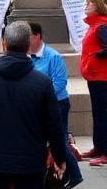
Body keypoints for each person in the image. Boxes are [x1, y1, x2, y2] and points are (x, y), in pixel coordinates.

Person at [0, 21, 66, 189]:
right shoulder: (43, 83)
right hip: (31, 161)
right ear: (28, 46)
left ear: (4, 44)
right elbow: (54, 126)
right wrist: (60, 157)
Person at [29, 22, 82, 187]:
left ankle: (75, 174)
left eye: (28, 37)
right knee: (52, 140)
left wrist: (39, 94)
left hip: (58, 104)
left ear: (37, 36)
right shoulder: (26, 56)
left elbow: (60, 83)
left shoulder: (53, 56)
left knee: (58, 140)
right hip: (39, 106)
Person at [79, 0, 107, 166]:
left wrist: (91, 60)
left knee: (101, 113)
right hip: (96, 75)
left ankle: (106, 152)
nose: (86, 6)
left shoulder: (101, 25)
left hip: (101, 76)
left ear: (97, 5)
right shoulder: (95, 25)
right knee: (97, 112)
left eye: (89, 3)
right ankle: (98, 147)